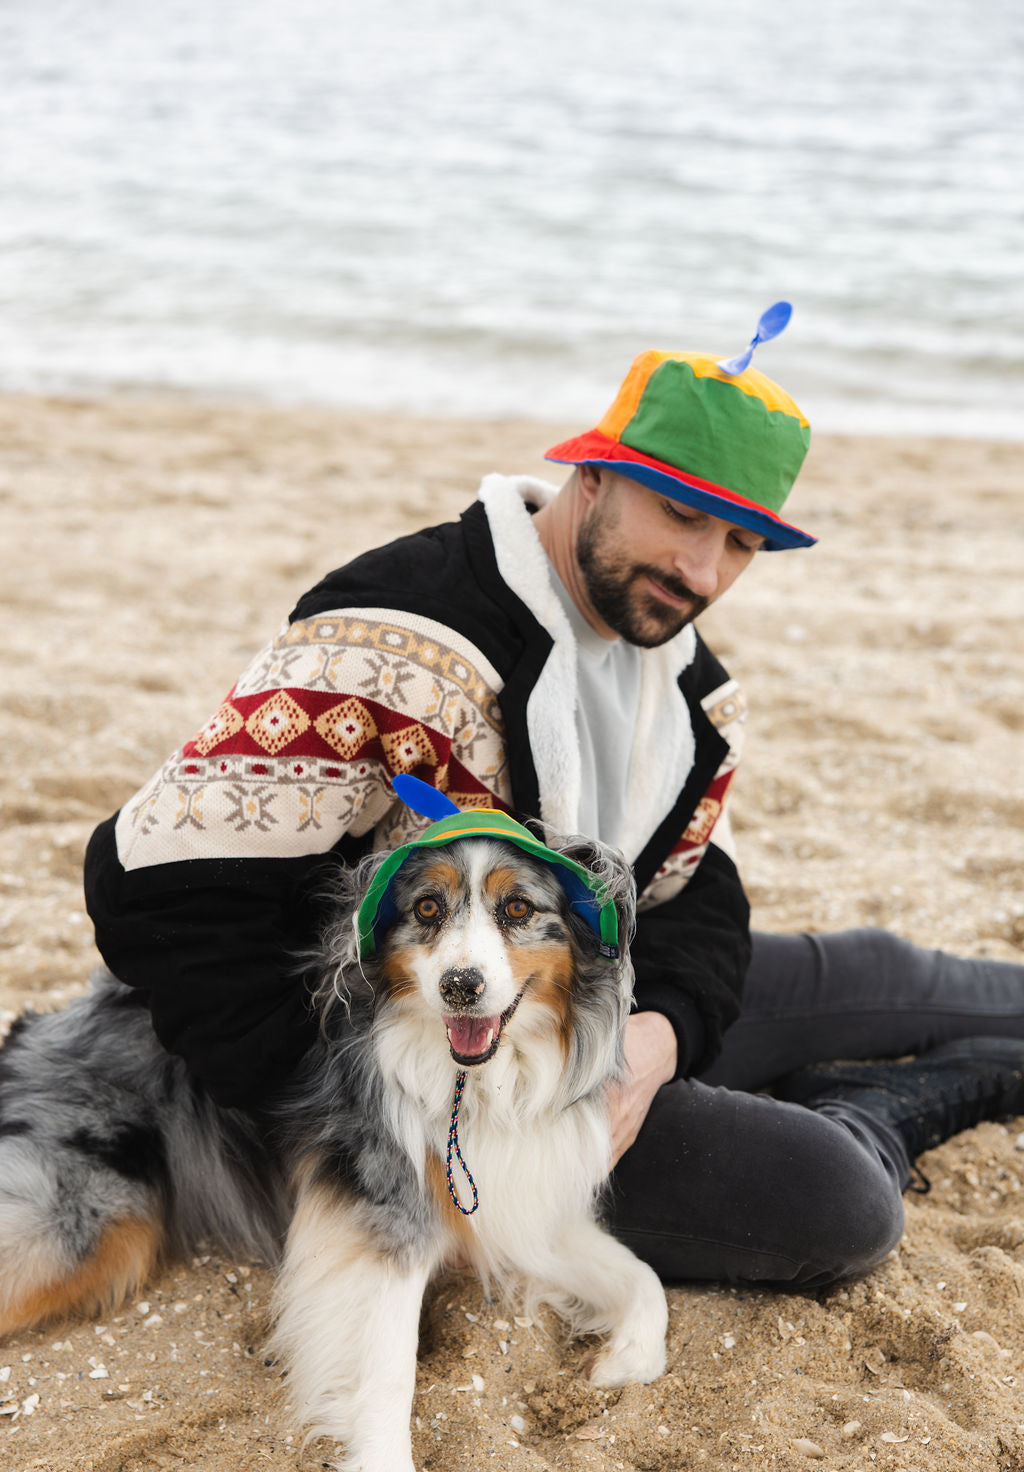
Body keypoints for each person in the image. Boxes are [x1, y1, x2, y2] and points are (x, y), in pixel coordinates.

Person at [84, 336, 1024, 1289]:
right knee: (838, 1202)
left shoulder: (693, 693)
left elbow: (700, 900)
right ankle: (882, 1106)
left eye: (741, 544)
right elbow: (156, 887)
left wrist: (662, 1039)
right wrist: (355, 1124)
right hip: (454, 1091)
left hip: (591, 997)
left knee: (885, 974)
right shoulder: (398, 636)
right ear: (594, 473)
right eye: (682, 515)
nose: (703, 572)